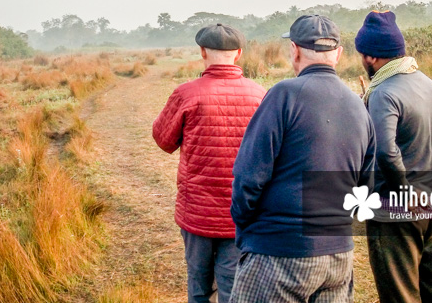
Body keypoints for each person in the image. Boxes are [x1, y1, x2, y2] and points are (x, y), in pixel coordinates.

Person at [230, 15, 376, 303]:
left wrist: (246, 226)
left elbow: (249, 176)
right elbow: (366, 186)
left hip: (279, 251)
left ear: (294, 50)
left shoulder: (284, 94)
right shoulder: (360, 107)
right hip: (338, 257)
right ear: (338, 53)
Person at [153, 23, 266, 303]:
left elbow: (163, 140)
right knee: (231, 286)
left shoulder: (186, 93)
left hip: (196, 211)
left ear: (202, 52)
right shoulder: (261, 95)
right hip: (242, 210)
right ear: (238, 53)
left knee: (199, 284)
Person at [355, 10, 432, 303]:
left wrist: (402, 192)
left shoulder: (384, 92)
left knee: (400, 294)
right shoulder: (428, 83)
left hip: (397, 211)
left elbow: (386, 150)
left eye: (362, 55)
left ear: (371, 57)